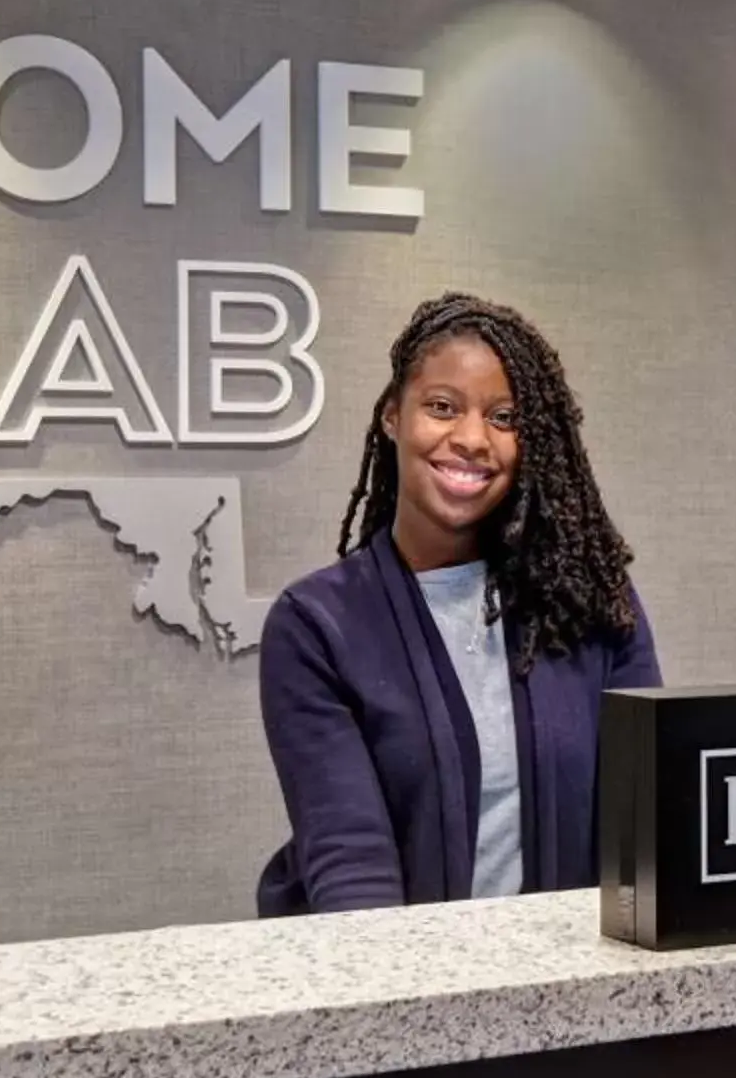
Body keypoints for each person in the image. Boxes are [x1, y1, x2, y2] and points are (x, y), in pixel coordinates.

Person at [255, 293, 660, 915]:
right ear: (393, 416)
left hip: (564, 965)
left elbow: (642, 832)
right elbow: (352, 864)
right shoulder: (317, 626)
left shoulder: (590, 605)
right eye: (442, 407)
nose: (472, 439)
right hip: (393, 966)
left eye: (504, 417)